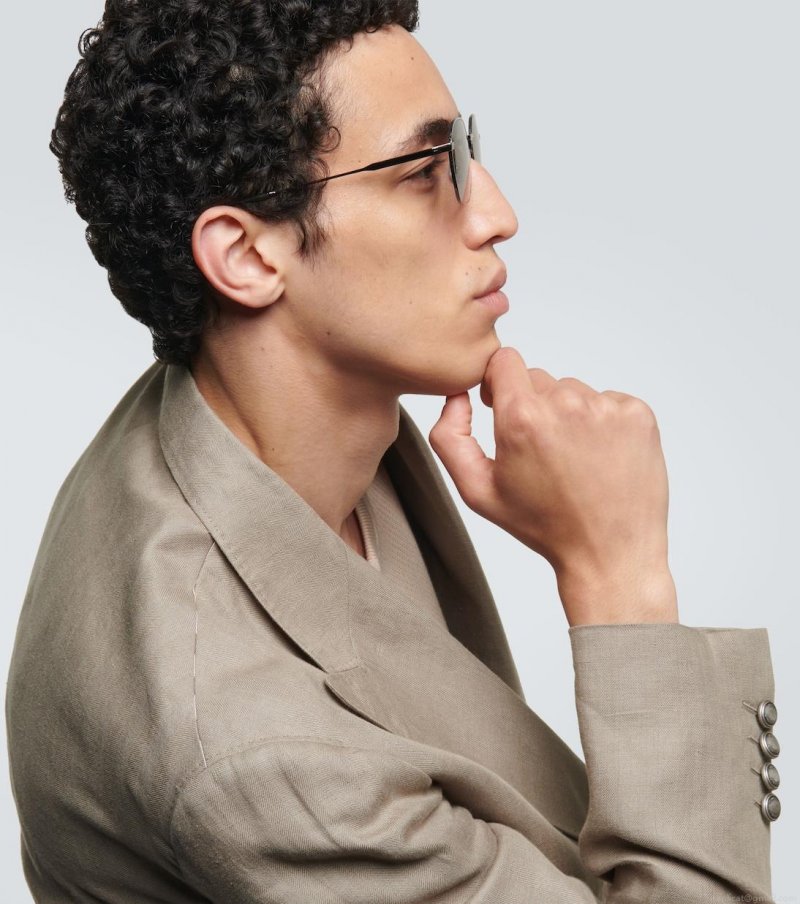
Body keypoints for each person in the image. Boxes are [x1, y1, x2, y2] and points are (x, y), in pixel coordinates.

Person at [6, 1, 780, 901]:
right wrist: (621, 574)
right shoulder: (260, 754)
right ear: (246, 257)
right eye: (421, 171)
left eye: (464, 152)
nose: (497, 214)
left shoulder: (282, 407)